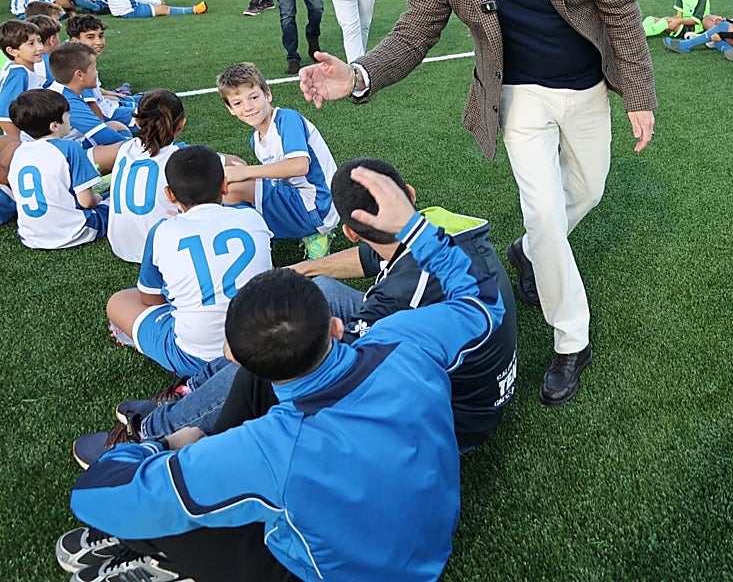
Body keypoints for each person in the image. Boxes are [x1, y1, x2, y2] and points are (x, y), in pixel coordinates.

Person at [299, 0, 655, 406]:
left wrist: (638, 94)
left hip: (587, 88)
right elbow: (414, 32)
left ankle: (526, 252)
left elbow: (619, 7)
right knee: (543, 211)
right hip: (516, 97)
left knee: (585, 194)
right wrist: (358, 74)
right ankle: (573, 341)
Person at [65, 166, 507, 582]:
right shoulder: (406, 340)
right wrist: (414, 228)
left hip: (345, 571)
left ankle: (158, 536)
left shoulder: (267, 447)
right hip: (430, 542)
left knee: (166, 511)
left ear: (236, 358)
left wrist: (167, 445)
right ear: (336, 326)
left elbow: (93, 495)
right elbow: (481, 299)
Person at [73, 156, 519, 468]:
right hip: (462, 369)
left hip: (450, 419)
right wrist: (302, 269)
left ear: (348, 230)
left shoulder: (399, 299)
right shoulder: (443, 227)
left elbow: (365, 317)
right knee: (319, 290)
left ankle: (154, 431)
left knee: (278, 346)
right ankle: (194, 389)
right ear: (409, 195)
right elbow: (383, 259)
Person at [105, 144, 274, 379]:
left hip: (196, 357)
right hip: (262, 344)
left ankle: (145, 338)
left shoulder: (162, 231)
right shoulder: (253, 218)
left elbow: (150, 299)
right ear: (225, 185)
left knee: (119, 301)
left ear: (170, 194)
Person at [217, 62, 339, 260]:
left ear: (268, 95)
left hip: (319, 207)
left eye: (254, 97)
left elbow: (300, 165)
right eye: (238, 103)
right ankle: (259, 234)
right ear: (230, 108)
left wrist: (246, 173)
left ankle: (308, 235)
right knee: (235, 170)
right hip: (297, 199)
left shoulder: (286, 119)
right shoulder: (255, 140)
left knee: (235, 185)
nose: (247, 107)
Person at [8, 87, 107, 248]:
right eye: (67, 116)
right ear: (54, 125)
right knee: (114, 199)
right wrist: (100, 198)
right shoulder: (69, 148)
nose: (70, 119)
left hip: (30, 236)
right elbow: (87, 202)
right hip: (73, 231)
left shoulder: (18, 153)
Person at [106, 90, 192, 263]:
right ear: (181, 124)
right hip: (164, 248)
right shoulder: (181, 157)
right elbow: (231, 163)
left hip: (121, 246)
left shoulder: (125, 148)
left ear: (137, 123)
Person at [47, 41, 132, 172]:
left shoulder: (63, 91)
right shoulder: (67, 101)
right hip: (60, 162)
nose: (96, 72)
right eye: (94, 68)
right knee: (123, 149)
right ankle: (102, 179)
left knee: (115, 126)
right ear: (79, 75)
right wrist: (139, 149)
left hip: (67, 148)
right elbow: (104, 135)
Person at [0, 19, 45, 133]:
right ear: (12, 51)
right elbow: (4, 117)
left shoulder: (27, 70)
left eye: (39, 41)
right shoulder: (19, 74)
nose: (40, 47)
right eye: (31, 44)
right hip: (26, 138)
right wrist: (18, 146)